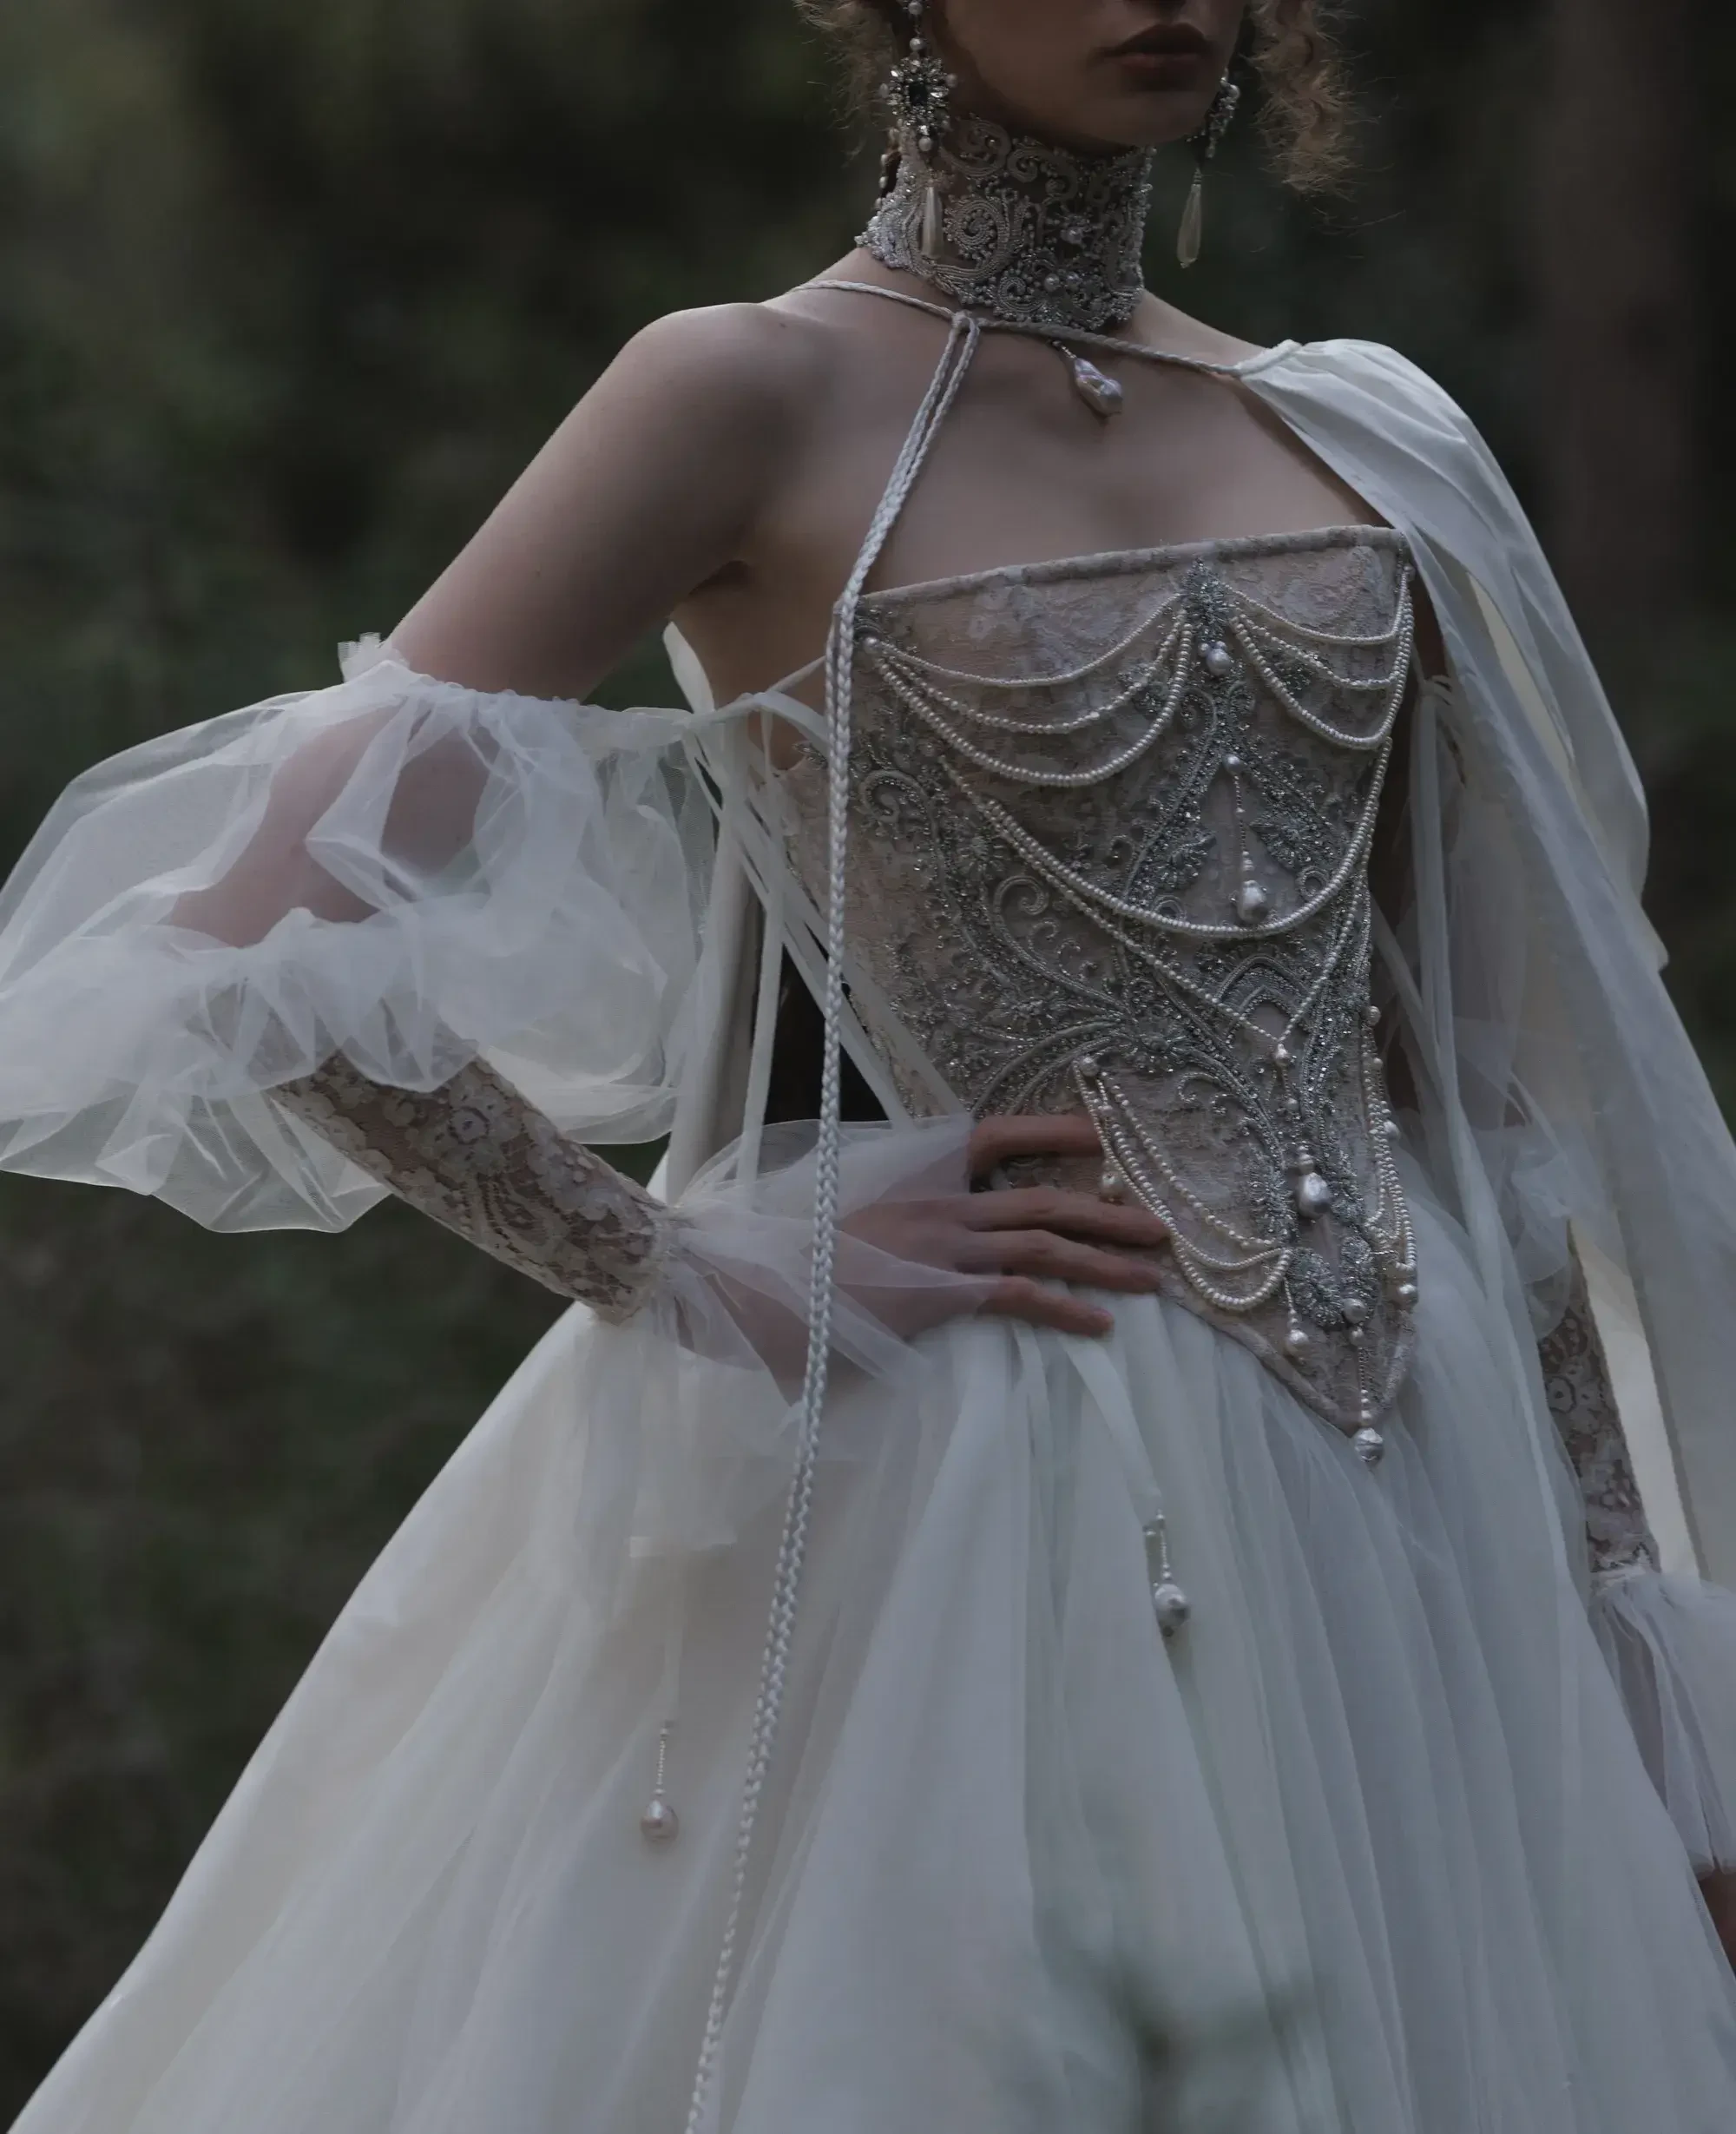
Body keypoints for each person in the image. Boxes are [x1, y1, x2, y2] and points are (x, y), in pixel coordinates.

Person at [4, 1, 1736, 2127]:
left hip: (1427, 1463)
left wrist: (1627, 1626)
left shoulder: (1357, 434)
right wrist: (681, 1263)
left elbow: (1478, 1087)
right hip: (1003, 1468)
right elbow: (252, 933)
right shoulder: (743, 390)